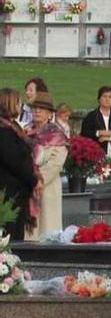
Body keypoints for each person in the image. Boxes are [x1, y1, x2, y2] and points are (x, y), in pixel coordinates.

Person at [23, 92, 68, 241]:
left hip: (47, 189)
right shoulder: (24, 132)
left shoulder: (57, 136)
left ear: (50, 113)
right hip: (26, 188)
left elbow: (55, 164)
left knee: (46, 232)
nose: (37, 111)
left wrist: (36, 180)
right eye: (34, 108)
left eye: (41, 108)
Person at [0, 88, 38, 241]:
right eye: (18, 102)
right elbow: (16, 162)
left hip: (17, 194)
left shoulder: (12, 128)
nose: (20, 105)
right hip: (10, 194)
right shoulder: (5, 133)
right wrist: (34, 179)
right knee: (12, 238)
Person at [80, 85, 111, 158]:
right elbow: (84, 133)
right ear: (99, 99)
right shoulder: (91, 116)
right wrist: (99, 133)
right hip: (97, 154)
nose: (107, 99)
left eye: (110, 97)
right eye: (104, 96)